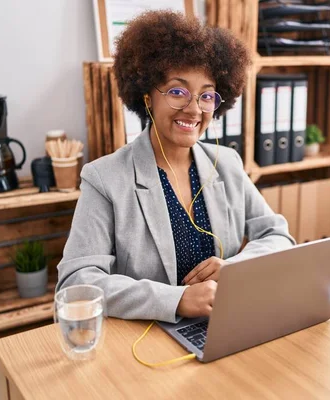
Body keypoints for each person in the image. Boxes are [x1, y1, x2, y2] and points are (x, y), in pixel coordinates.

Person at [56, 10, 295, 323]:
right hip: (146, 342)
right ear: (146, 97)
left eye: (206, 95)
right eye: (178, 91)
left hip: (224, 325)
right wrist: (176, 300)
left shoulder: (227, 164)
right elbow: (76, 283)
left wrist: (236, 269)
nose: (194, 109)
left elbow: (278, 236)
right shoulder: (105, 178)